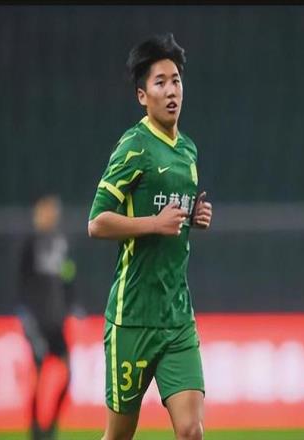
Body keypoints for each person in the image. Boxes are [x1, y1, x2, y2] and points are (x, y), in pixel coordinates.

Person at [88, 33, 213, 440]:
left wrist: (194, 218)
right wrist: (154, 224)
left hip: (177, 316)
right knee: (119, 436)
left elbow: (171, 216)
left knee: (191, 431)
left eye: (176, 80)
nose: (171, 90)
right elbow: (97, 222)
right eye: (160, 82)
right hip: (132, 319)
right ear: (143, 96)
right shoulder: (135, 146)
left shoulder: (188, 151)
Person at [17, 195, 78, 440]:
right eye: (46, 210)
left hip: (56, 320)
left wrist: (71, 306)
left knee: (68, 373)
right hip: (37, 320)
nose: (51, 215)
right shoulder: (30, 243)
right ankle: (35, 429)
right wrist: (25, 316)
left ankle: (51, 425)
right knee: (38, 374)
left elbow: (68, 276)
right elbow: (21, 281)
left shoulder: (61, 243)